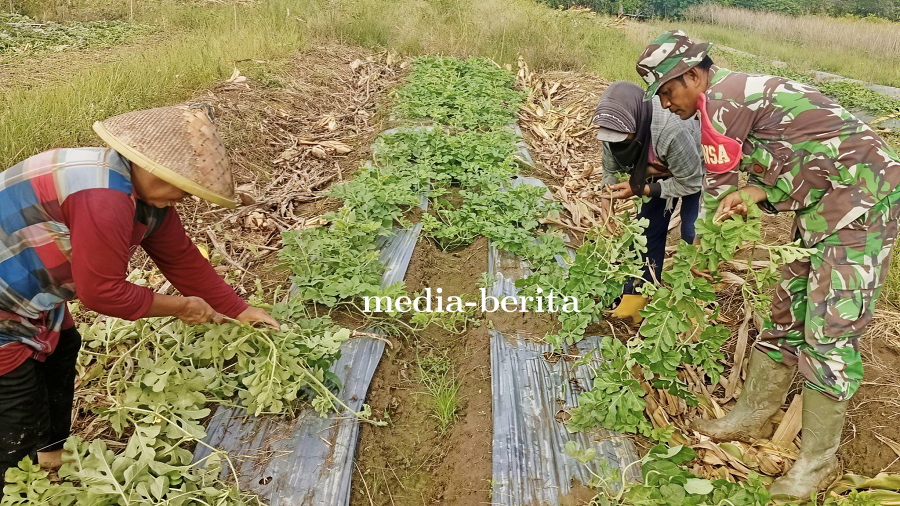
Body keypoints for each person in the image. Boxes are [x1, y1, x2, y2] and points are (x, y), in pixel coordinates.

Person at [636, 30, 900, 498]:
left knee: (829, 331)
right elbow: (788, 159)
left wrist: (699, 256)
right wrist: (756, 192)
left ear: (693, 76)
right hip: (823, 204)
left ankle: (817, 461)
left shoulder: (721, 102)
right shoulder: (724, 103)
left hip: (864, 204)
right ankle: (752, 416)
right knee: (785, 312)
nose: (665, 102)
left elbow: (714, 189)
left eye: (667, 90)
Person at [0, 103, 280, 484]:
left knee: (63, 349)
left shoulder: (145, 197)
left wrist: (239, 310)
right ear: (153, 167)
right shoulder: (103, 196)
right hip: (5, 299)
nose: (186, 197)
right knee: (15, 406)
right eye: (183, 186)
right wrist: (179, 307)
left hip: (30, 293)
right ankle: (14, 483)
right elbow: (101, 293)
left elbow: (181, 259)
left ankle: (51, 456)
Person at [594, 81, 704, 325]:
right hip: (655, 168)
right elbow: (609, 169)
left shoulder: (670, 129)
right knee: (646, 229)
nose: (618, 142)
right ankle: (638, 298)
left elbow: (690, 182)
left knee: (692, 232)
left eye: (624, 138)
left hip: (693, 169)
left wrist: (641, 188)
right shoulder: (614, 124)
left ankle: (687, 303)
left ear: (639, 121)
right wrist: (607, 196)